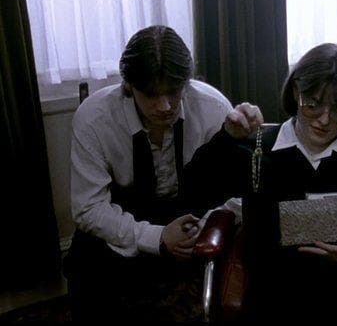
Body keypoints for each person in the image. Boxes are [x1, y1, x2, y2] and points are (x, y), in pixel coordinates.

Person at [184, 43, 337, 322]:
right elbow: (194, 192)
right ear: (297, 92)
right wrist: (226, 137)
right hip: (274, 299)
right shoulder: (257, 149)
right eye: (313, 104)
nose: (324, 120)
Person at [63, 25, 235, 322]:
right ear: (128, 86)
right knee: (83, 266)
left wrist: (206, 223)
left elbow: (235, 189)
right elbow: (88, 207)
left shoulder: (214, 108)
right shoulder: (94, 118)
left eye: (174, 92)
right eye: (152, 95)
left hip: (191, 209)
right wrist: (156, 237)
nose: (165, 106)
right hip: (124, 209)